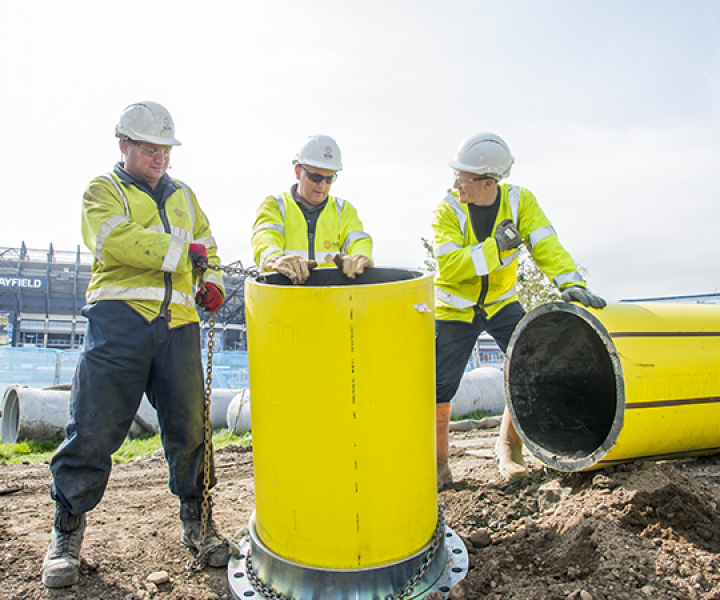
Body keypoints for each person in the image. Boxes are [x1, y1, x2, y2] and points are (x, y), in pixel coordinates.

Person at [42, 101, 228, 588]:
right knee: (94, 428)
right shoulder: (102, 190)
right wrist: (178, 255)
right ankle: (66, 531)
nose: (159, 157)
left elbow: (209, 246)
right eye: (149, 147)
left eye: (165, 149)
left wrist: (215, 283)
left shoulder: (185, 195)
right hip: (119, 324)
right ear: (124, 144)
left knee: (191, 428)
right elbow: (113, 239)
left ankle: (199, 520)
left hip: (180, 326)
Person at [433, 132, 605, 489]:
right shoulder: (447, 209)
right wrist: (496, 248)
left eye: (463, 178)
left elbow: (546, 243)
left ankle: (509, 446)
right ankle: (438, 464)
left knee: (527, 363)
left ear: (488, 182)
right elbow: (449, 266)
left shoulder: (519, 200)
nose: (455, 184)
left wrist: (570, 282)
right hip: (455, 310)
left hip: (501, 303)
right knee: (438, 386)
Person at [251, 134, 373, 283]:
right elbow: (264, 237)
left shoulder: (344, 210)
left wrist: (360, 257)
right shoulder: (275, 206)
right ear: (298, 172)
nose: (322, 185)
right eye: (316, 177)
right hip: (284, 298)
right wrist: (275, 259)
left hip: (331, 300)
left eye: (329, 179)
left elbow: (359, 241)